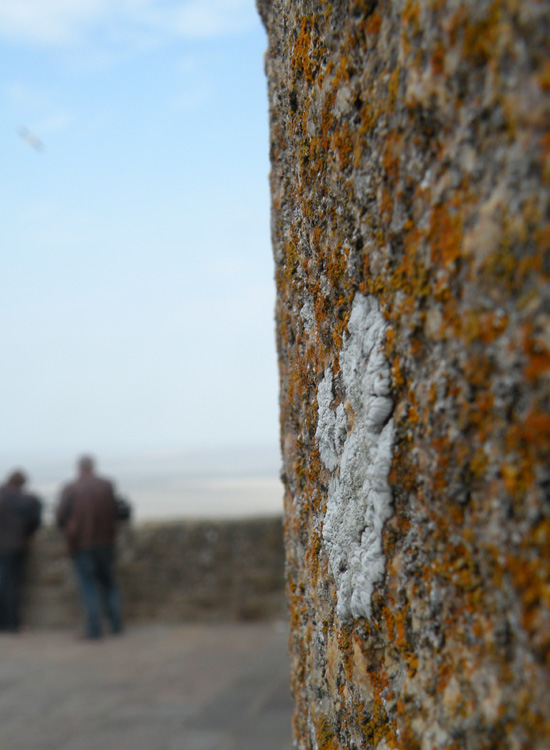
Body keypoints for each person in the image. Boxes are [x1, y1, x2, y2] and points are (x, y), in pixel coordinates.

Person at [56, 456, 123, 640]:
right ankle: (116, 625)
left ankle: (94, 629)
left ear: (79, 468)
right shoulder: (106, 485)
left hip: (82, 545)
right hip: (105, 542)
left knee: (89, 586)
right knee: (109, 584)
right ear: (93, 467)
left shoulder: (71, 488)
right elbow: (116, 511)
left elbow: (61, 517)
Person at [0, 470, 42, 633]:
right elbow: (34, 522)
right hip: (15, 546)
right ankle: (12, 624)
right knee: (11, 585)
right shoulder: (27, 500)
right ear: (23, 483)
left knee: (3, 583)